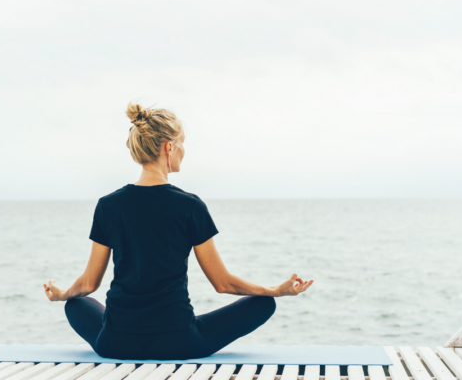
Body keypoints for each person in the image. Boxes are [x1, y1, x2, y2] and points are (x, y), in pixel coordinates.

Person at [43, 103, 313, 360]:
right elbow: (223, 284)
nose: (185, 149)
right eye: (183, 142)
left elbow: (89, 284)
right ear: (169, 147)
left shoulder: (108, 206)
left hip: (115, 342)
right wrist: (275, 290)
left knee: (75, 304)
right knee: (264, 303)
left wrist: (62, 293)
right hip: (179, 343)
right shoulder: (190, 206)